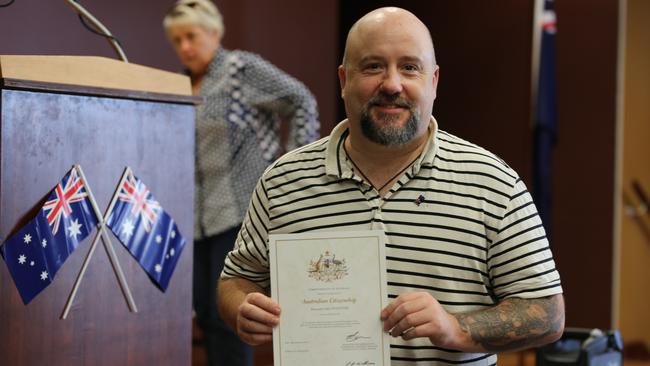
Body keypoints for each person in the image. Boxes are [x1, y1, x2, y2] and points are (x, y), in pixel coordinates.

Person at [218, 6, 564, 365]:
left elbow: (548, 315)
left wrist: (454, 326)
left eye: (410, 67)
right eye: (372, 66)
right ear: (343, 80)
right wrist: (242, 307)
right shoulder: (283, 181)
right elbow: (236, 280)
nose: (392, 84)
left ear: (434, 81)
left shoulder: (493, 184)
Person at [163, 1, 320, 365]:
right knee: (203, 308)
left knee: (230, 315)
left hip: (240, 207)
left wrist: (294, 166)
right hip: (197, 216)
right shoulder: (181, 83)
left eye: (191, 36)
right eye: (176, 40)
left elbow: (300, 99)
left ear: (214, 33)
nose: (184, 46)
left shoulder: (238, 68)